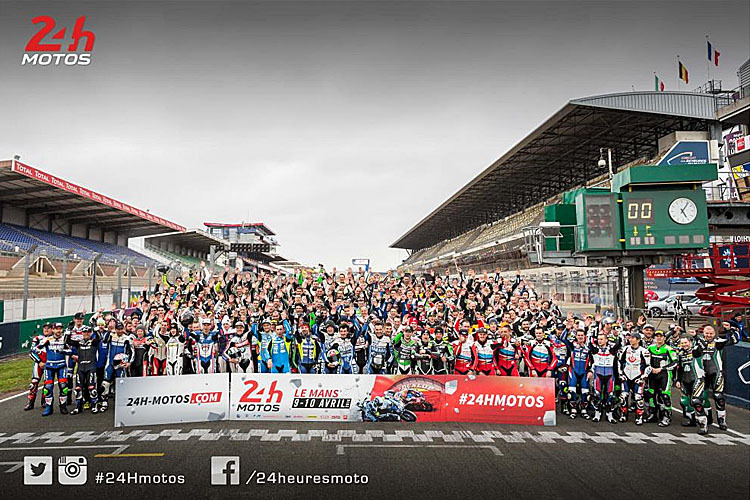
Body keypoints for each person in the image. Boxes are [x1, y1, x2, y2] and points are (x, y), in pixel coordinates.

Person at [697, 323, 740, 430]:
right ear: (703, 333)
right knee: (701, 397)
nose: (709, 335)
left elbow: (734, 340)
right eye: (707, 333)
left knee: (718, 397)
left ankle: (722, 421)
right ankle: (708, 417)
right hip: (702, 374)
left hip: (716, 373)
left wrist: (729, 330)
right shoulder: (698, 342)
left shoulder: (719, 342)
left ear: (714, 333)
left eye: (711, 333)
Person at [675, 333, 708, 435]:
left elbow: (704, 345)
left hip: (697, 379)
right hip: (685, 380)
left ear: (690, 342)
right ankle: (691, 420)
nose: (684, 345)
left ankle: (703, 424)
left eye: (686, 342)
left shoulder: (695, 351)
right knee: (685, 401)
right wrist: (678, 380)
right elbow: (679, 368)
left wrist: (696, 336)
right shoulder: (680, 353)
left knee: (696, 401)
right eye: (682, 343)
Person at [37, 323, 71, 416]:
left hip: (61, 365)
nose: (58, 331)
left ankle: (63, 406)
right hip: (49, 367)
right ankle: (49, 407)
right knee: (47, 388)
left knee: (63, 386)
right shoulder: (47, 339)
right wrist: (40, 361)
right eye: (56, 329)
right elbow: (35, 349)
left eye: (60, 328)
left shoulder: (65, 339)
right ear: (52, 329)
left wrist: (63, 350)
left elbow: (71, 351)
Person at [645, 330, 678, 427]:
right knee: (651, 394)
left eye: (661, 336)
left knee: (665, 396)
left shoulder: (669, 349)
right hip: (652, 375)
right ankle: (653, 414)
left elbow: (675, 363)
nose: (658, 338)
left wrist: (662, 369)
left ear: (664, 337)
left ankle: (666, 416)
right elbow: (645, 360)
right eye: (656, 336)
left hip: (665, 375)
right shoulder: (650, 348)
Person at [588, 332, 621, 423]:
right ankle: (597, 414)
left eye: (602, 339)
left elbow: (619, 343)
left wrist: (618, 333)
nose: (600, 341)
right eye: (598, 339)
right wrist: (592, 329)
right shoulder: (595, 350)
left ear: (606, 340)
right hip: (598, 374)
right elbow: (589, 343)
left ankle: (609, 415)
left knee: (610, 395)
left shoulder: (611, 350)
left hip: (610, 375)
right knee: (597, 395)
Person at [66, 326, 100, 415]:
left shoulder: (94, 342)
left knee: (92, 388)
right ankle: (78, 407)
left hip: (91, 367)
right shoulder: (78, 343)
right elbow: (67, 341)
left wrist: (96, 330)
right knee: (78, 389)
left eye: (88, 332)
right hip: (80, 368)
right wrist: (68, 330)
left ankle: (94, 406)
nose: (86, 334)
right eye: (84, 332)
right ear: (82, 333)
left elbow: (100, 338)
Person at [618, 331, 650, 425]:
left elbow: (648, 366)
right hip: (626, 376)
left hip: (638, 377)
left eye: (633, 338)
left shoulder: (644, 351)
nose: (630, 339)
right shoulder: (624, 349)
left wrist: (643, 377)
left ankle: (639, 417)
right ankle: (623, 415)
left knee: (638, 398)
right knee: (623, 397)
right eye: (630, 338)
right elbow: (619, 362)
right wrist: (620, 374)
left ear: (638, 340)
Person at [24, 323, 51, 411]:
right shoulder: (37, 338)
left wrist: (47, 362)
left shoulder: (54, 339)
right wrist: (39, 362)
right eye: (45, 328)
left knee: (47, 383)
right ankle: (30, 402)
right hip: (38, 364)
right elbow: (31, 352)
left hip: (49, 364)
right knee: (34, 383)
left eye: (48, 328)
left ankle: (44, 401)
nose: (46, 330)